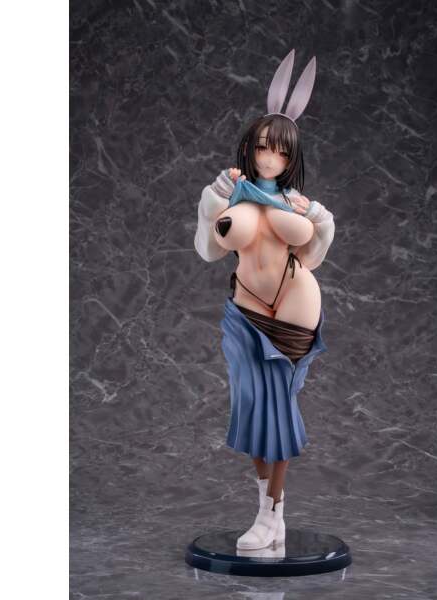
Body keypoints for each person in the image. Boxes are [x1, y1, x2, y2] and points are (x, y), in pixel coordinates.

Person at [193, 50, 335, 551]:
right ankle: (268, 513)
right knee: (252, 407)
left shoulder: (295, 203)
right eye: (261, 148)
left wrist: (316, 216)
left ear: (290, 158)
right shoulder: (233, 190)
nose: (269, 158)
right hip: (245, 312)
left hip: (292, 311)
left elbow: (313, 253)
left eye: (279, 152)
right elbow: (209, 248)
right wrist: (214, 199)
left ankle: (272, 513)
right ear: (251, 148)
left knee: (279, 408)